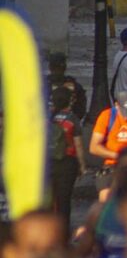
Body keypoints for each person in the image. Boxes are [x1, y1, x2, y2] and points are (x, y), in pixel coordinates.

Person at [47, 87, 86, 223]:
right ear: (68, 102)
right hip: (67, 162)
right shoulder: (72, 119)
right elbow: (78, 145)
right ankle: (63, 232)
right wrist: (82, 166)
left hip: (48, 162)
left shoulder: (47, 118)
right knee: (64, 200)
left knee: (49, 200)